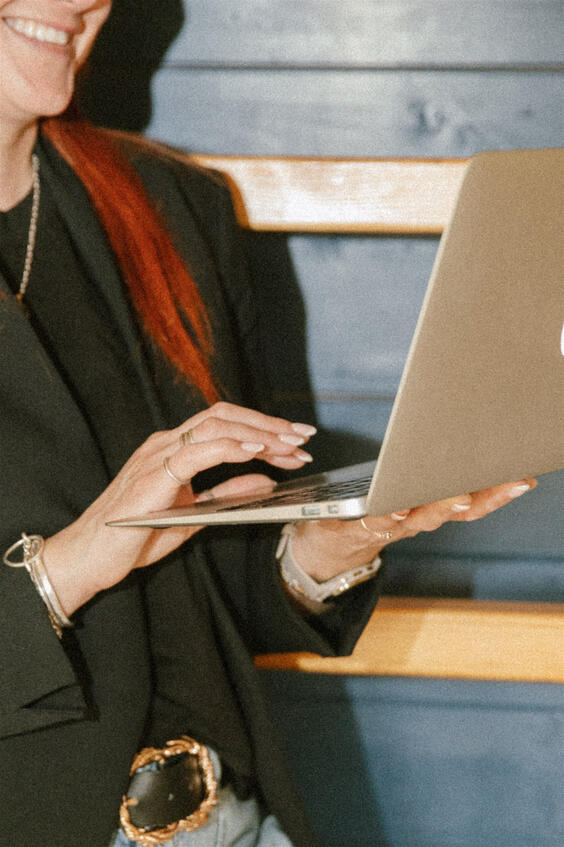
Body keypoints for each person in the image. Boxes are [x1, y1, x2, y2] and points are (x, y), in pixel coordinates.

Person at [0, 2, 537, 846]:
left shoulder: (175, 208)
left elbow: (219, 593)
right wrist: (66, 569)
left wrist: (330, 546)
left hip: (229, 821)